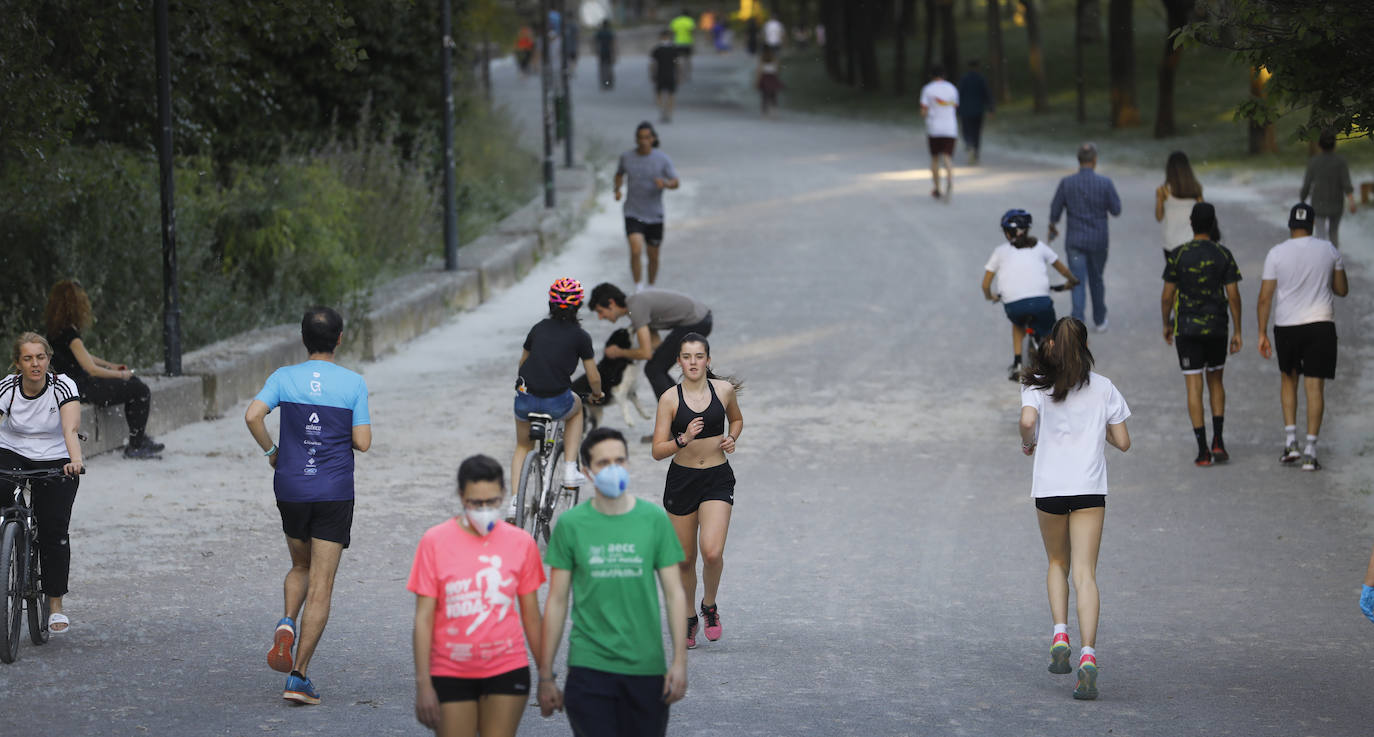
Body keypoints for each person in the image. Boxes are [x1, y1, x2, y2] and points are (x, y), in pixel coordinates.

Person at [244, 306, 372, 705]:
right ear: (339, 339)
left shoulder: (284, 378)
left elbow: (252, 415)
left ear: (303, 338)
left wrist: (272, 450)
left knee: (300, 565)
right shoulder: (353, 383)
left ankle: (286, 621)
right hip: (333, 491)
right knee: (322, 582)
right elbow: (363, 441)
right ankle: (298, 676)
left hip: (291, 487)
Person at [537, 427, 688, 735]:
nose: (613, 469)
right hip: (589, 669)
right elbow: (556, 600)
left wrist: (679, 662)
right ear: (587, 472)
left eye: (619, 460)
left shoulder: (654, 520)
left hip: (647, 670)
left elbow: (674, 594)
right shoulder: (571, 525)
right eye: (603, 463)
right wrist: (546, 675)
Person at [1019, 317, 1131, 701]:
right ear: (1084, 347)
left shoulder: (1036, 384)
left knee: (1056, 563)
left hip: (1050, 488)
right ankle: (1087, 657)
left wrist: (1028, 442)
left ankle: (1060, 634)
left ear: (1051, 345)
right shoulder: (1103, 388)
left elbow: (1027, 421)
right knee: (1086, 574)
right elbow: (1123, 441)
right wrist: (1096, 427)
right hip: (1088, 489)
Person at [409, 455, 545, 737]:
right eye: (476, 503)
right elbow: (423, 619)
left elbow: (532, 616)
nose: (485, 510)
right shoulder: (434, 542)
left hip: (508, 667)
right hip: (450, 669)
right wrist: (423, 683)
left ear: (504, 495)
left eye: (493, 502)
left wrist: (547, 675)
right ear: (461, 496)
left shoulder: (522, 543)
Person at [650, 334, 742, 650]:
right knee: (684, 560)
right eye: (687, 357)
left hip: (717, 477)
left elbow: (737, 419)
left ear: (708, 360)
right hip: (682, 480)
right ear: (679, 361)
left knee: (712, 552)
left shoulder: (724, 390)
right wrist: (683, 438)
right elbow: (657, 450)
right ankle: (688, 617)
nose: (693, 362)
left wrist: (732, 438)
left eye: (699, 356)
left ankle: (709, 605)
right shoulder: (669, 399)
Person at [0, 333, 84, 634]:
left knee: (54, 530)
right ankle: (11, 532)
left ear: (48, 359)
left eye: (40, 357)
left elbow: (70, 428)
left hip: (56, 455)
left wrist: (75, 461)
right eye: (27, 358)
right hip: (12, 452)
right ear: (18, 362)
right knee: (3, 497)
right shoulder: (7, 388)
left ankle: (55, 605)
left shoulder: (63, 385)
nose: (35, 364)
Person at [1256, 203, 1349, 471]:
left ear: (1290, 225)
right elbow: (1342, 290)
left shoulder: (1276, 253)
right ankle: (1310, 449)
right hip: (1321, 324)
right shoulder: (1329, 250)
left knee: (1289, 381)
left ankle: (1290, 443)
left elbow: (1265, 298)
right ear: (1312, 225)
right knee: (1315, 386)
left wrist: (1262, 332)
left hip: (1287, 326)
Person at [511, 279, 603, 518]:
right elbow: (592, 376)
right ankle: (570, 468)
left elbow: (523, 363)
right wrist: (597, 393)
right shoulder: (581, 337)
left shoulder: (538, 328)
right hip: (556, 400)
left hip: (526, 397)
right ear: (579, 305)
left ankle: (514, 503)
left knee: (522, 446)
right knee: (577, 408)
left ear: (550, 303)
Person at [1160, 203, 1242, 467]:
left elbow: (1167, 296)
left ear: (1191, 223)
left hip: (1187, 329)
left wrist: (1166, 324)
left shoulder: (1178, 254)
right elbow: (1233, 296)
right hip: (1217, 328)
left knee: (1194, 387)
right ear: (1213, 223)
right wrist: (1238, 330)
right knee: (1216, 382)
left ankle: (1202, 450)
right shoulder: (1223, 254)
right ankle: (1218, 439)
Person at [44, 279, 164, 459]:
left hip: (72, 386)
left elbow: (84, 357)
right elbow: (91, 369)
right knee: (140, 390)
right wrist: (120, 374)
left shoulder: (55, 332)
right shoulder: (70, 334)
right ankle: (136, 445)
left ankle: (138, 439)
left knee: (134, 384)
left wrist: (110, 366)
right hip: (83, 388)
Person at [981, 209, 1079, 381]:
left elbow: (985, 284)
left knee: (1017, 323)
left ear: (1006, 232)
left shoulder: (1000, 251)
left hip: (1013, 305)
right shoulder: (1040, 247)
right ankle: (1057, 361)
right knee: (1050, 329)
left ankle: (1018, 363)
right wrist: (1072, 280)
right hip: (1041, 301)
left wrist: (991, 296)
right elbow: (1062, 268)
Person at [589, 282, 713, 402]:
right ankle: (682, 407)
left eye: (600, 311)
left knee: (654, 369)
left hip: (696, 321)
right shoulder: (633, 305)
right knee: (656, 367)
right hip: (701, 318)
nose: (600, 317)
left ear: (611, 303)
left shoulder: (635, 307)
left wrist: (618, 352)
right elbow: (656, 345)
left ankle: (677, 413)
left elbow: (646, 353)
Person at [1048, 143, 1123, 332]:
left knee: (1077, 280)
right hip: (1098, 240)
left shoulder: (1067, 183)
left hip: (1075, 240)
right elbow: (1116, 210)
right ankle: (1099, 319)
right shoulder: (1105, 183)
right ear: (1095, 160)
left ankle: (1078, 322)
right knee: (1097, 279)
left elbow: (1055, 209)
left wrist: (1053, 225)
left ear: (1078, 160)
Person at [614, 123, 681, 290]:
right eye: (640, 137)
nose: (643, 141)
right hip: (632, 212)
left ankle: (651, 287)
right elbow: (619, 174)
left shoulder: (662, 159)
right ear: (636, 139)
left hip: (654, 214)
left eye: (646, 137)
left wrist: (665, 183)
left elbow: (676, 182)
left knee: (653, 255)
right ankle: (638, 288)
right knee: (635, 250)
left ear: (653, 139)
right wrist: (617, 189)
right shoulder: (627, 157)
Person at [1299, 131, 1357, 247]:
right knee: (1333, 233)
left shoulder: (1314, 162)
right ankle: (1334, 260)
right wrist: (1351, 202)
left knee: (1320, 234)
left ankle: (1322, 260)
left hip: (1318, 204)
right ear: (1334, 144)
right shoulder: (1340, 162)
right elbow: (1346, 184)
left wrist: (1302, 201)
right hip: (1336, 203)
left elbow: (1306, 185)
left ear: (1319, 145)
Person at [919, 65, 959, 200]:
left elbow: (924, 110)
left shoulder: (928, 89)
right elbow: (955, 107)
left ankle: (937, 188)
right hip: (950, 128)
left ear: (932, 76)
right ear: (945, 75)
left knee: (935, 158)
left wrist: (926, 116)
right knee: (947, 156)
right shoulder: (952, 88)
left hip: (934, 128)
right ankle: (949, 178)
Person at [1155, 151, 1204, 254]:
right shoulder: (1196, 189)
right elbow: (1203, 213)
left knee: (1174, 269)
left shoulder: (1163, 191)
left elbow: (1159, 217)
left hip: (1170, 242)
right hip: (1191, 239)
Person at [956, 60, 993, 164]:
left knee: (966, 130)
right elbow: (987, 94)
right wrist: (990, 108)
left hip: (965, 110)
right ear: (977, 67)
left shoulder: (964, 79)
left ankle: (969, 144)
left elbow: (958, 94)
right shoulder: (981, 79)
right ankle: (976, 153)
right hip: (978, 110)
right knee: (977, 132)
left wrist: (957, 109)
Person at [649, 31, 680, 123]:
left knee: (659, 94)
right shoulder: (673, 49)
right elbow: (677, 63)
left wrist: (652, 74)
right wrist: (678, 74)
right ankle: (669, 113)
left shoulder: (657, 49)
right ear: (669, 37)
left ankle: (662, 111)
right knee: (671, 95)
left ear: (660, 37)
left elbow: (652, 64)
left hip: (660, 74)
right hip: (671, 74)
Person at [670, 9, 696, 82]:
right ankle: (688, 75)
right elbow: (692, 31)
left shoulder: (676, 21)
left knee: (677, 59)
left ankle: (679, 75)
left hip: (677, 42)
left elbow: (672, 32)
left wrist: (672, 41)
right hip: (688, 42)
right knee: (688, 59)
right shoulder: (690, 21)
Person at [756, 48, 783, 117]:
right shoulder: (774, 61)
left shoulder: (762, 62)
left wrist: (757, 81)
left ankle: (765, 111)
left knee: (765, 96)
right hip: (772, 78)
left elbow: (759, 72)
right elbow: (777, 71)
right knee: (773, 95)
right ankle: (773, 111)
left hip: (765, 78)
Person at [595, 19, 617, 90]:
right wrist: (614, 54)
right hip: (609, 52)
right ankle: (609, 83)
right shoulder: (610, 33)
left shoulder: (600, 33)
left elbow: (595, 43)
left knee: (602, 69)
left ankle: (604, 83)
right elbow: (613, 44)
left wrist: (596, 51)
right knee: (609, 68)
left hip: (602, 52)